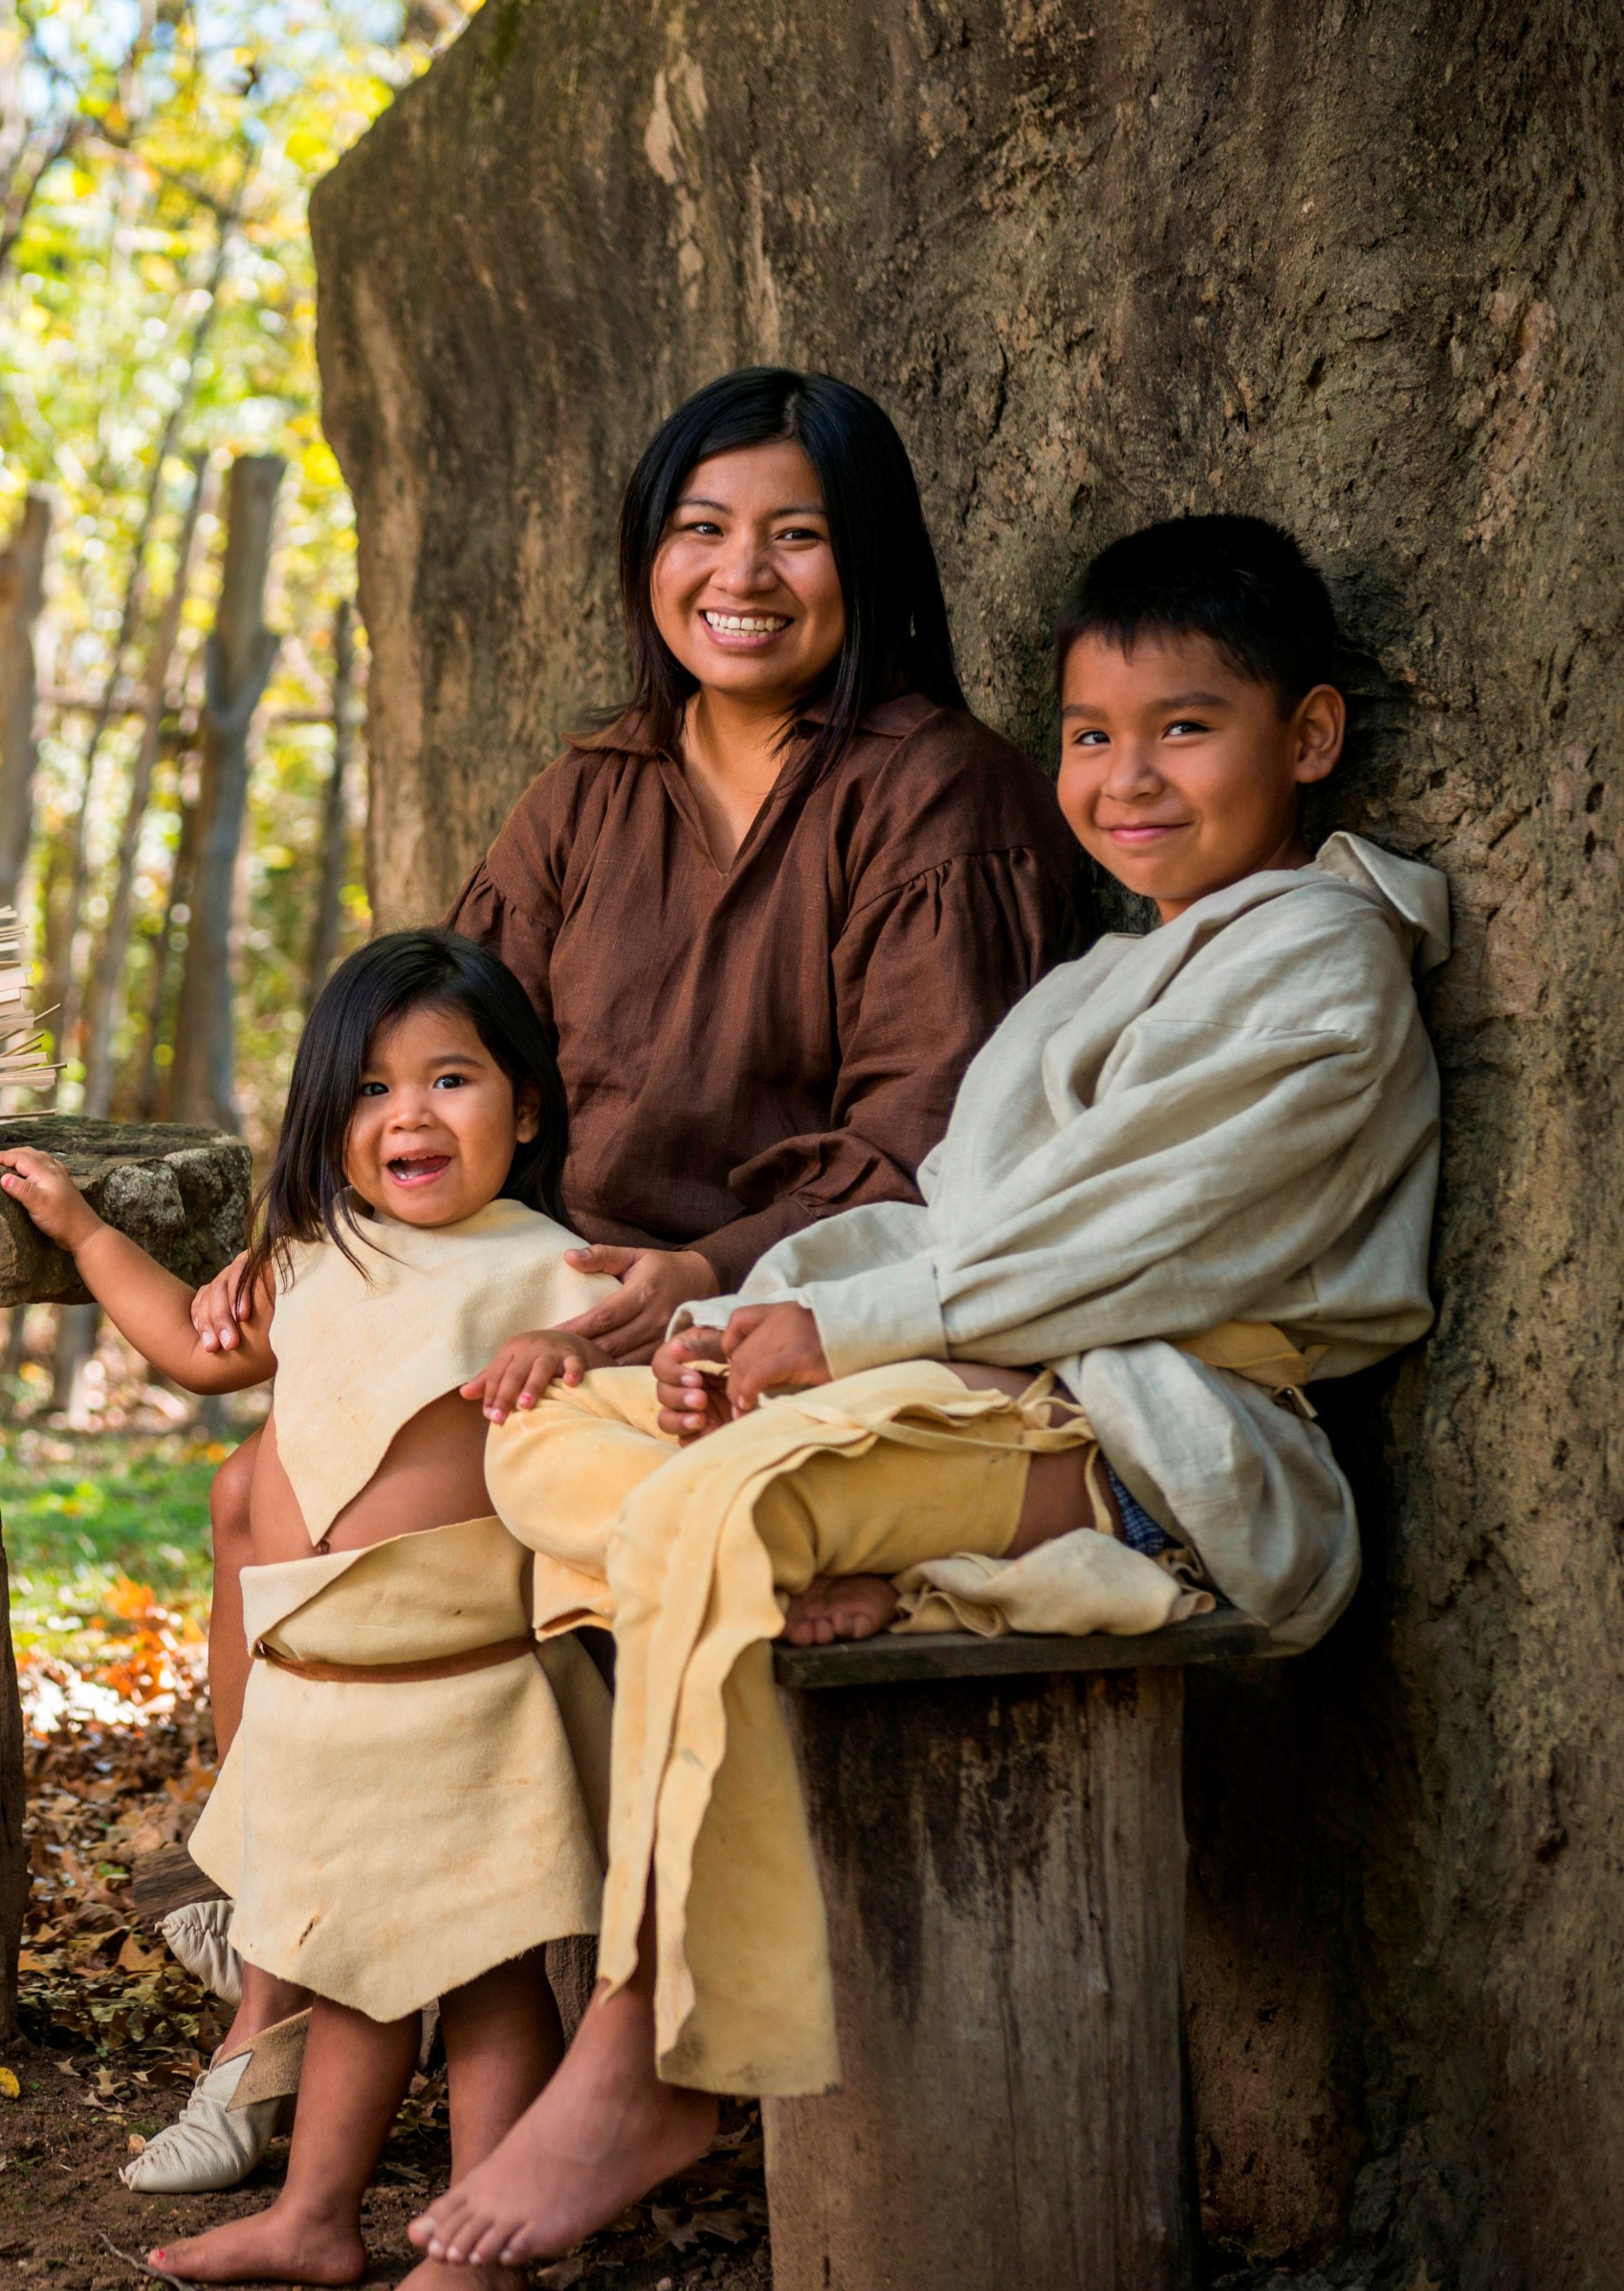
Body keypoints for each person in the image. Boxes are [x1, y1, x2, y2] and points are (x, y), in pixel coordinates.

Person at [420, 514, 1443, 2270]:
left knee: (711, 1510)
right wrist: (757, 1312)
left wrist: (852, 1344)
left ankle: (647, 2047)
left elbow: (1149, 1243)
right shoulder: (1092, 982)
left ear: (1314, 737)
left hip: (1145, 1423)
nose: (1127, 778)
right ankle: (920, 1559)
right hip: (957, 1396)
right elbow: (942, 1215)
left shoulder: (1323, 966)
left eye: (1186, 728)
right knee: (550, 1437)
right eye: (1093, 736)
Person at [152, 364, 1086, 2183]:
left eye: (796, 535)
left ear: (868, 562)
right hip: (545, 1291)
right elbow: (431, 1054)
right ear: (648, 558)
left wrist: (701, 1273)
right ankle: (284, 1978)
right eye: (701, 530)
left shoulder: (937, 797)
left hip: (781, 1312)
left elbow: (925, 1143)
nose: (743, 574)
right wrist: (297, 1243)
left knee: (349, 1530)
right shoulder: (591, 791)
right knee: (254, 1488)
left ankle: (298, 2016)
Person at [0, 930, 622, 2282]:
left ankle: (481, 2250)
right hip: (321, 1696)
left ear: (528, 1105)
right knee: (342, 1968)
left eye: (452, 1080)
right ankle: (315, 2220)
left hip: (462, 1691)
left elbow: (652, 1391)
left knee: (494, 1976)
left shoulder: (554, 1271)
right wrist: (87, 1233)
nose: (410, 1116)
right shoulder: (318, 1260)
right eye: (372, 1089)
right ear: (329, 1124)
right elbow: (183, 1347)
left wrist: (576, 1349)